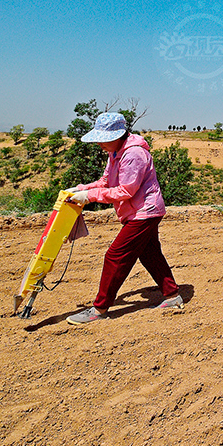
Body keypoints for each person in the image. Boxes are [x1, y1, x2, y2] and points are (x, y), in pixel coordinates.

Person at [65, 112, 182, 325]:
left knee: (115, 256)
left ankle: (99, 309)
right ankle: (173, 296)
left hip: (144, 213)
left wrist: (89, 197)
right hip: (138, 212)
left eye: (103, 138)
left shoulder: (134, 154)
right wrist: (81, 189)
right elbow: (106, 180)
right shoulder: (116, 152)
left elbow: (125, 191)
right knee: (150, 254)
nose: (99, 143)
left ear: (118, 135)